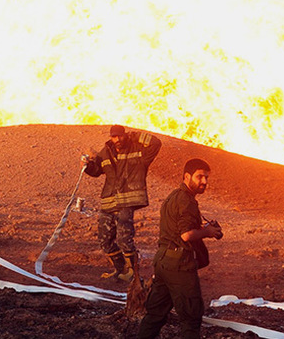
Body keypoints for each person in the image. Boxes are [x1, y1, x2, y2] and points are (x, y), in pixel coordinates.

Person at [137, 158, 222, 339]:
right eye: (200, 177)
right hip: (179, 264)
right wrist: (207, 232)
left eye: (206, 177)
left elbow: (178, 230)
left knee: (155, 315)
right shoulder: (187, 201)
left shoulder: (174, 196)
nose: (204, 182)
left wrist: (204, 229)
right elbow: (185, 235)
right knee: (191, 318)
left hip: (163, 262)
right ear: (186, 176)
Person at [81, 124, 162, 281]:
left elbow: (156, 143)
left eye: (120, 136)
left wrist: (136, 135)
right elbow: (96, 170)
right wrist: (87, 165)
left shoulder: (138, 150)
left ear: (125, 135)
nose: (117, 139)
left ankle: (134, 274)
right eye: (114, 136)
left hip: (127, 200)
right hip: (109, 202)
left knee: (124, 239)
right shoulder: (106, 151)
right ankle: (121, 269)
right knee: (105, 240)